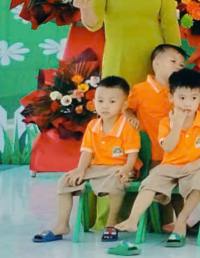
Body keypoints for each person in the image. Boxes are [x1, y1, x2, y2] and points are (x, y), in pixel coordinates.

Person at [107, 69, 200, 253]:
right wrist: (177, 124)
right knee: (150, 182)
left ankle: (181, 221)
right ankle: (133, 219)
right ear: (171, 97)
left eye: (193, 98)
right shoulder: (166, 122)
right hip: (169, 166)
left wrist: (195, 165)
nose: (187, 103)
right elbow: (168, 147)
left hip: (197, 166)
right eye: (182, 98)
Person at [37, 76, 141, 244]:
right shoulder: (93, 126)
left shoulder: (127, 126)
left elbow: (132, 156)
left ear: (124, 105)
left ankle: (111, 223)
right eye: (100, 101)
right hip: (97, 168)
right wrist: (80, 170)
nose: (105, 106)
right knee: (65, 181)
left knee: (117, 182)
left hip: (120, 167)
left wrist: (127, 169)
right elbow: (87, 152)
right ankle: (62, 225)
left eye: (112, 101)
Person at [127, 44, 184, 134]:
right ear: (156, 64)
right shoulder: (140, 89)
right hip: (149, 141)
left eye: (181, 65)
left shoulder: (182, 92)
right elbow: (126, 108)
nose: (178, 67)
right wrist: (131, 118)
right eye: (173, 61)